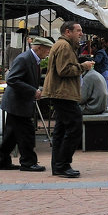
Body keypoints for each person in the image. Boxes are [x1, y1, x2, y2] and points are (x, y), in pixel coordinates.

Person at [0, 37, 53, 172]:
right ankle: (28, 162)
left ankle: (1, 161)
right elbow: (12, 79)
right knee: (27, 133)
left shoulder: (34, 60)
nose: (48, 53)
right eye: (47, 50)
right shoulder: (24, 58)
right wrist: (33, 91)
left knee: (12, 134)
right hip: (17, 103)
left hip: (19, 103)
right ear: (39, 48)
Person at [42, 21, 85, 178]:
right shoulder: (64, 46)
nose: (81, 34)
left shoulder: (64, 45)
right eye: (78, 31)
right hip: (63, 93)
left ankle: (58, 165)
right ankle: (63, 164)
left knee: (61, 130)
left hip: (61, 92)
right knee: (75, 126)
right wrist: (83, 67)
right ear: (68, 32)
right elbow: (63, 70)